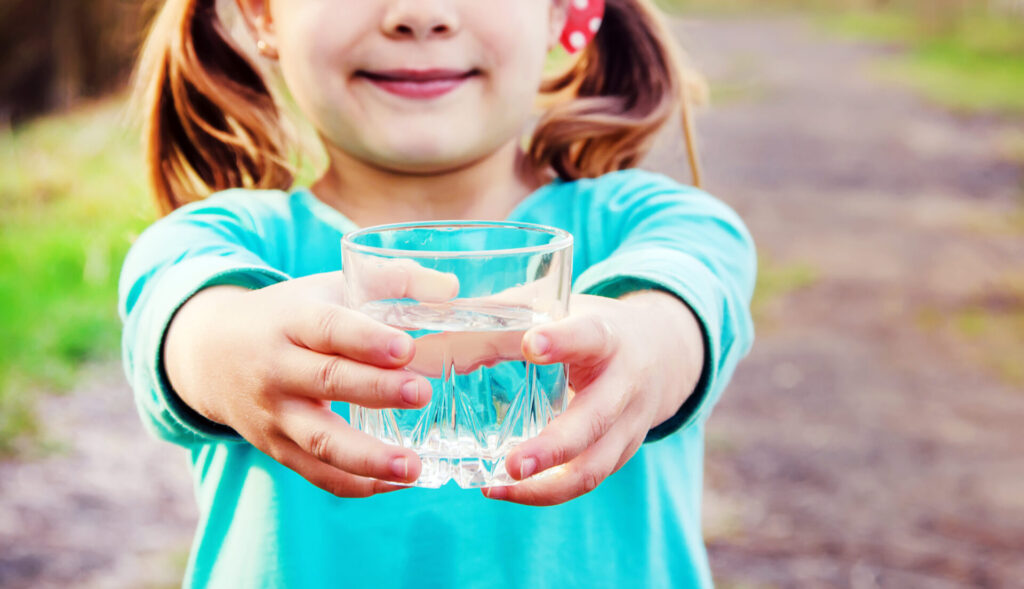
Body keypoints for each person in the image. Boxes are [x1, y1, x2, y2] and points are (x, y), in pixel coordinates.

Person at [119, 0, 756, 586]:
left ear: (562, 8)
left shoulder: (662, 224)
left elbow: (682, 309)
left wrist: (642, 343)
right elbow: (188, 322)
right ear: (261, 12)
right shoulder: (217, 242)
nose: (419, 14)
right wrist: (234, 349)